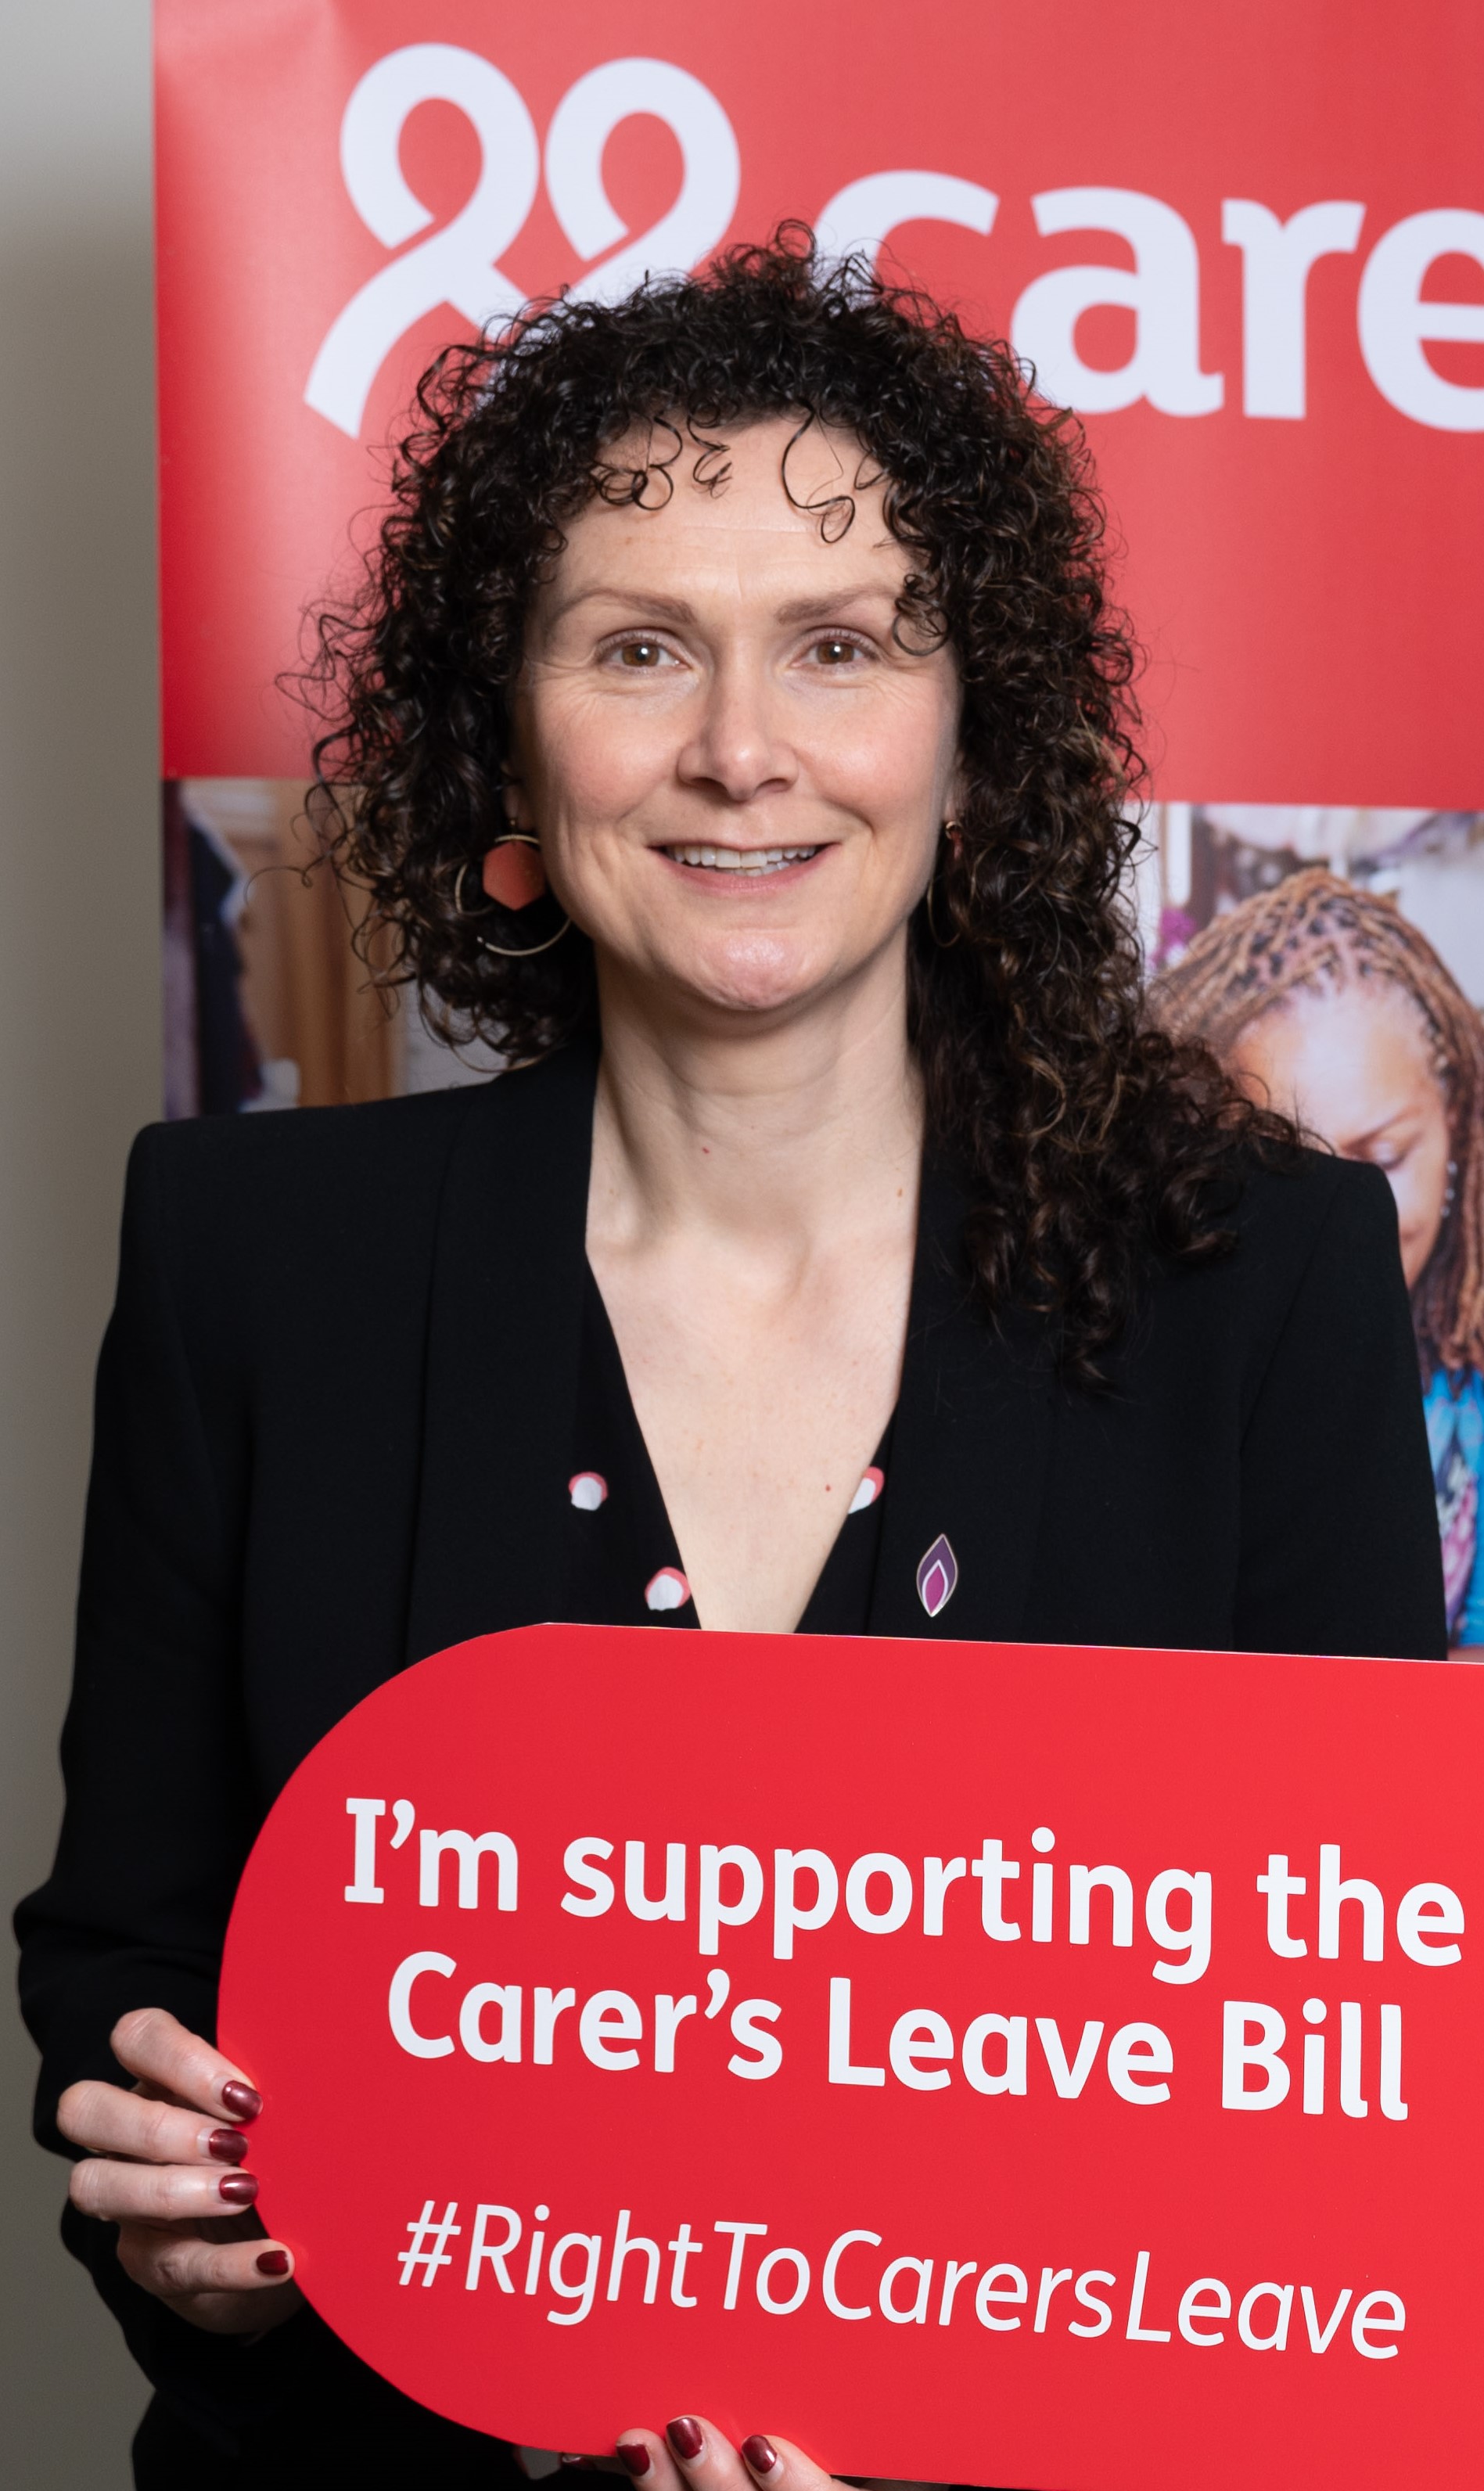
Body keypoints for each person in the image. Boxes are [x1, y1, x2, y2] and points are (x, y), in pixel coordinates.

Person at [16, 235, 1444, 2488]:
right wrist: (191, 2210)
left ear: (973, 736)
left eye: (842, 645)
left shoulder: (1258, 1280)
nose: (740, 749)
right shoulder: (247, 1263)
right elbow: (128, 1970)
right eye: (640, 645)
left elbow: (1341, 2092)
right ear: (513, 725)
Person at [1152, 866, 1484, 1651]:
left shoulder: (1468, 1394)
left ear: (1457, 1131)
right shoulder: (1164, 1381)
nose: (1344, 1222)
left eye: (1383, 1157)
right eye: (1285, 1161)